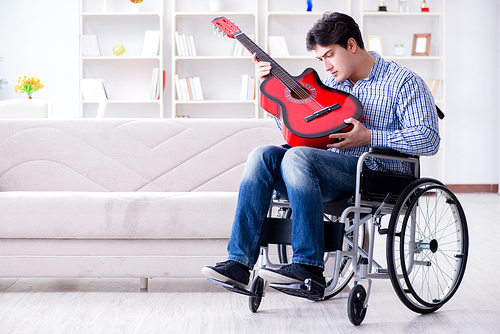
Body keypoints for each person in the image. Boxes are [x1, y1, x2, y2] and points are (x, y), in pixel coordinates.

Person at [202, 12, 439, 295]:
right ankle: (239, 264)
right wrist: (269, 88)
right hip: (319, 169)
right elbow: (300, 132)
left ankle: (309, 267)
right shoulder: (330, 85)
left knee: (297, 157)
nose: (326, 66)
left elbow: (429, 140)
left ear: (351, 45)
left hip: (374, 172)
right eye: (320, 60)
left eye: (329, 55)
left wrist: (370, 136)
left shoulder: (403, 81)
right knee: (262, 155)